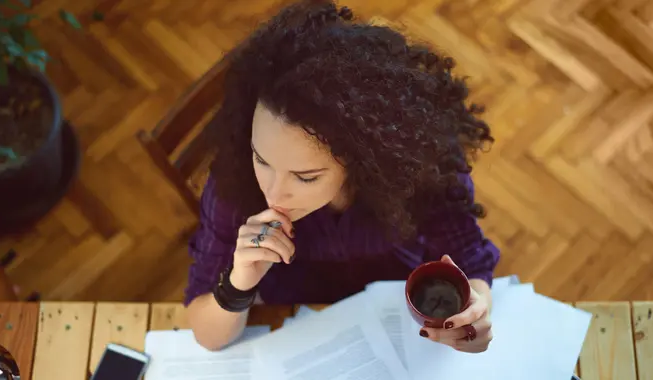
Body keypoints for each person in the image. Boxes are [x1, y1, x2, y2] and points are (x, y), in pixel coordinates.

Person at [184, 0, 500, 354]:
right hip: (294, 323)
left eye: (305, 177)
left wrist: (474, 313)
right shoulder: (235, 182)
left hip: (397, 315)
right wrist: (240, 283)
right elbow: (207, 334)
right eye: (262, 159)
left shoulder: (423, 169)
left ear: (360, 158)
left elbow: (469, 258)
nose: (272, 193)